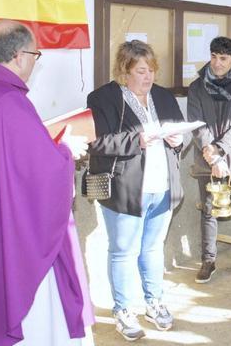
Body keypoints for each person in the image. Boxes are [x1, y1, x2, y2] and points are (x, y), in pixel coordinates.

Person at [0, 20, 90, 345]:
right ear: (20, 55)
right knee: (25, 312)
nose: (34, 62)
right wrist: (65, 153)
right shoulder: (7, 101)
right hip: (8, 236)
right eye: (36, 54)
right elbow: (40, 176)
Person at [87, 40, 185, 341]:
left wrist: (178, 140)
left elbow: (180, 130)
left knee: (153, 249)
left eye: (151, 70)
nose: (148, 77)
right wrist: (137, 140)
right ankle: (123, 310)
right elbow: (97, 143)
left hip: (162, 186)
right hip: (126, 189)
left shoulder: (162, 96)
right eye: (141, 71)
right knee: (123, 252)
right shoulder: (103, 98)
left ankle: (154, 302)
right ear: (124, 71)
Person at [187, 37, 231, 283]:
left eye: (224, 59)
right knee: (208, 210)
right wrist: (211, 153)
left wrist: (219, 149)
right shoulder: (197, 87)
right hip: (206, 158)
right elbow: (197, 123)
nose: (217, 63)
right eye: (214, 57)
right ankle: (208, 261)